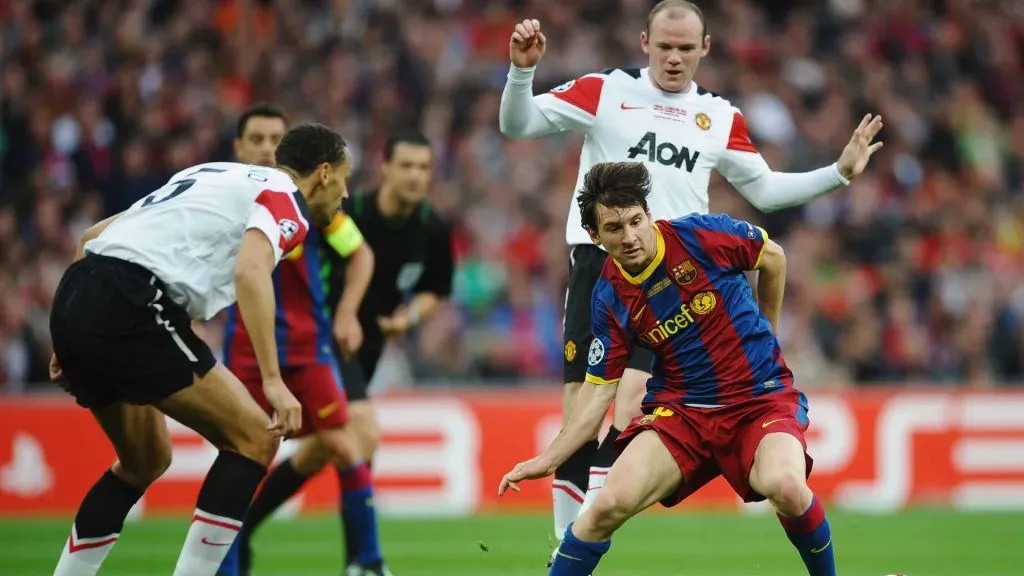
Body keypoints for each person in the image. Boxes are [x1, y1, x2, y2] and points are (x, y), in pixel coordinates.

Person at [498, 0, 883, 555]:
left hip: (682, 275)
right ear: (643, 43)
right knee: (581, 408)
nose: (674, 58)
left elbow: (767, 191)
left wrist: (838, 174)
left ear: (705, 49)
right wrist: (522, 70)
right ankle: (567, 540)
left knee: (628, 404)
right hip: (600, 269)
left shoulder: (719, 117)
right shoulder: (606, 91)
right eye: (663, 47)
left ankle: (597, 519)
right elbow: (518, 124)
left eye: (685, 48)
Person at [499, 161, 836, 576]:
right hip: (683, 414)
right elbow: (599, 392)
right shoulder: (608, 296)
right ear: (594, 236)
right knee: (603, 508)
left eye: (636, 221)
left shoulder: (699, 235)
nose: (630, 237)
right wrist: (548, 459)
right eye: (614, 228)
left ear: (648, 214)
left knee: (787, 487)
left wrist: (768, 329)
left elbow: (773, 257)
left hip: (758, 399)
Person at [48, 122, 350, 576]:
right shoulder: (288, 201)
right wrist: (273, 381)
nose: (345, 194)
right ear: (324, 173)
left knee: (144, 459)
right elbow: (251, 272)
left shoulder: (211, 174)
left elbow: (91, 236)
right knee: (253, 438)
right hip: (132, 300)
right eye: (346, 178)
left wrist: (66, 338)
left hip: (78, 294)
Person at [232, 130, 454, 576]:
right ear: (386, 168)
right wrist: (346, 312)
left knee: (321, 450)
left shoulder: (432, 226)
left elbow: (436, 289)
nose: (415, 176)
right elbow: (346, 256)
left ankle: (241, 531)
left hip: (368, 347)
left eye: (423, 168)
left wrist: (407, 320)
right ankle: (362, 561)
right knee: (362, 434)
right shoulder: (347, 210)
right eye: (406, 165)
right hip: (328, 341)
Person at [215, 104, 389, 576]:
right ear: (239, 147)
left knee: (347, 446)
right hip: (248, 350)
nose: (268, 147)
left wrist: (348, 311)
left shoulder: (314, 206)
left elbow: (360, 255)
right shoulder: (229, 197)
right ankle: (230, 563)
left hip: (309, 347)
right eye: (257, 139)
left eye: (276, 137)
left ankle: (368, 563)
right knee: (239, 462)